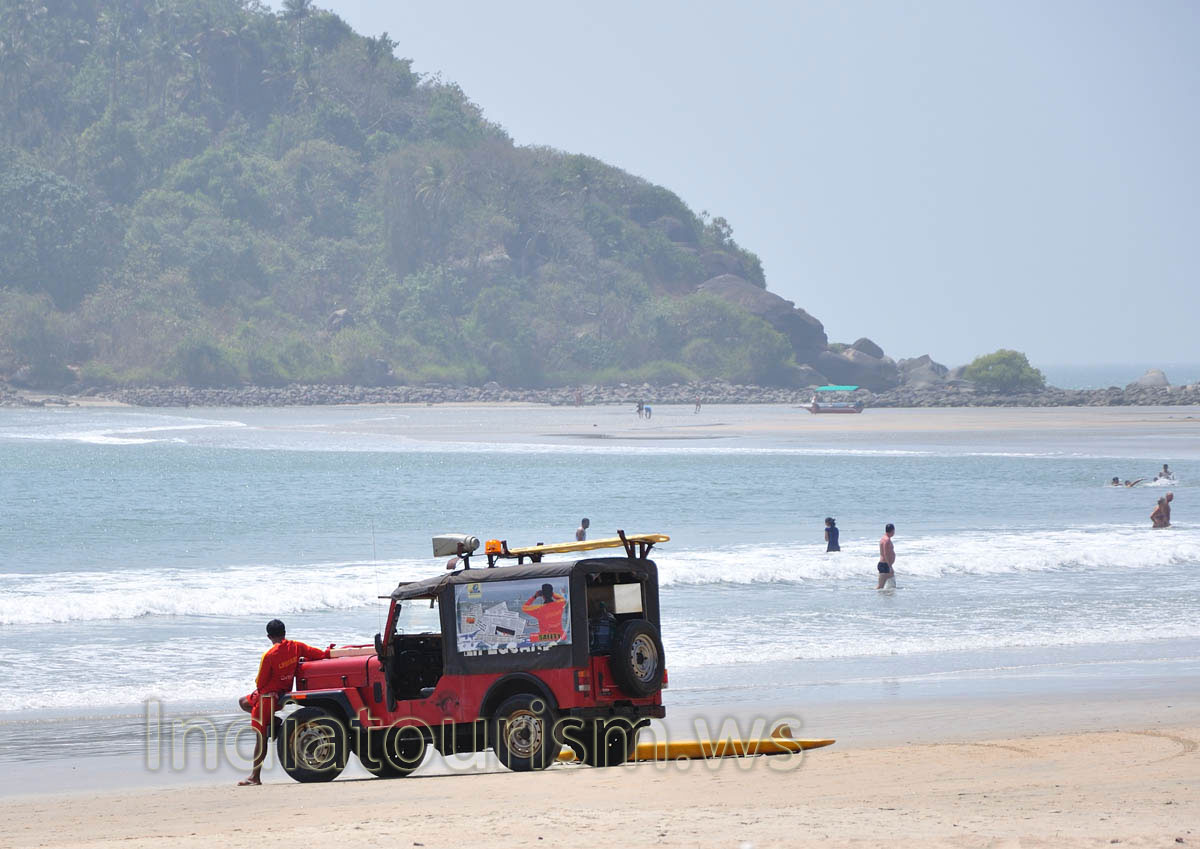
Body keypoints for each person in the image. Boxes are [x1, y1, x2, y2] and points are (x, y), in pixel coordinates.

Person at [238, 619, 332, 786]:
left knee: (261, 737)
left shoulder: (269, 655)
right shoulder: (296, 646)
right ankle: (273, 722)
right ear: (284, 633)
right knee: (244, 702)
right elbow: (319, 654)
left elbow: (260, 683)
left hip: (268, 698)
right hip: (283, 695)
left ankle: (255, 777)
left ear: (269, 636)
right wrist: (330, 650)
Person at [877, 523, 896, 589]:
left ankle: (886, 598)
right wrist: (889, 566)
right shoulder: (886, 540)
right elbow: (885, 554)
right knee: (880, 587)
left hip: (885, 564)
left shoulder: (884, 538)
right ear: (892, 530)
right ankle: (875, 597)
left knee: (890, 586)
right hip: (884, 565)